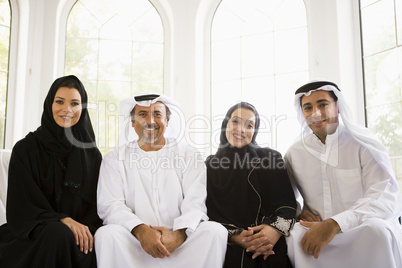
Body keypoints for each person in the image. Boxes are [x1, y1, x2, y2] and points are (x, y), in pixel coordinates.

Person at [95, 93, 227, 268]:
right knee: (106, 235)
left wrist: (178, 236)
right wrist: (142, 232)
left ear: (167, 120)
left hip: (181, 243)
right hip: (135, 243)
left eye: (157, 114)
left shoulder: (189, 154)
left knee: (215, 231)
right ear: (132, 122)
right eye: (142, 115)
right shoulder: (114, 158)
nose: (150, 120)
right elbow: (111, 204)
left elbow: (195, 203)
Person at [284, 79, 402, 268]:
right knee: (293, 235)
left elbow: (384, 197)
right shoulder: (294, 153)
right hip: (315, 231)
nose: (316, 114)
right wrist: (299, 213)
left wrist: (335, 224)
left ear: (337, 106)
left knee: (377, 230)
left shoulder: (362, 144)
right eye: (308, 108)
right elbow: (285, 198)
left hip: (360, 228)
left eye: (323, 105)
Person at [0, 75, 103, 267]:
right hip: (33, 235)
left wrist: (82, 228)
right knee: (57, 234)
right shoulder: (25, 149)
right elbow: (22, 206)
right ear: (49, 105)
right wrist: (63, 220)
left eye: (75, 103)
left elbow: (99, 206)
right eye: (60, 102)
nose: (67, 110)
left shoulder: (92, 155)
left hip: (80, 238)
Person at [206, 102, 297, 268]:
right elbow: (207, 213)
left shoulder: (270, 158)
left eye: (249, 125)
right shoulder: (209, 165)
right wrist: (236, 237)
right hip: (226, 245)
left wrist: (274, 231)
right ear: (225, 123)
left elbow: (288, 205)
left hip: (269, 245)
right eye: (235, 121)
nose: (241, 129)